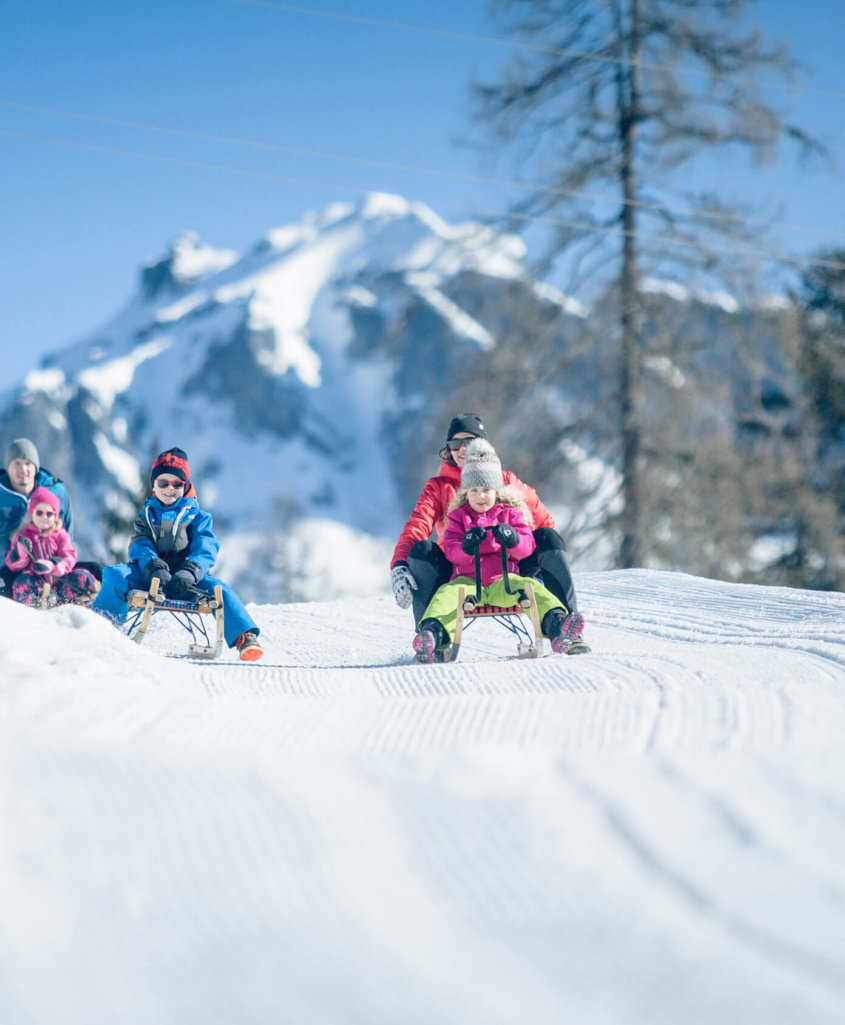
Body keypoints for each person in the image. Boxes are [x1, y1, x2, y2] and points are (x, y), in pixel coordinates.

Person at [390, 412, 583, 634]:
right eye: (455, 443)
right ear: (448, 449)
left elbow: (543, 521)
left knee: (549, 537)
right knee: (422, 550)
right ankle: (430, 637)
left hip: (509, 566)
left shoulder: (506, 481)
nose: (462, 449)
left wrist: (518, 545)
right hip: (460, 568)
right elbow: (417, 526)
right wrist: (399, 564)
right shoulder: (439, 487)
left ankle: (565, 627)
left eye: (469, 441)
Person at [412, 439, 585, 663]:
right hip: (466, 584)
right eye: (474, 490)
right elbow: (451, 551)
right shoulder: (458, 517)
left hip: (505, 582)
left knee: (533, 588)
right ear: (466, 493)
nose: (480, 496)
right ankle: (432, 635)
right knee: (444, 596)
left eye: (486, 490)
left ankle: (557, 626)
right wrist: (466, 546)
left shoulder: (510, 515)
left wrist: (512, 539)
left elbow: (527, 547)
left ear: (496, 491)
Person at [92, 447, 264, 661]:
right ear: (154, 485)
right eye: (163, 483)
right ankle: (101, 627)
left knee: (220, 590)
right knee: (115, 575)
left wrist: (191, 571)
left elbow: (206, 546)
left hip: (187, 581)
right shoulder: (146, 515)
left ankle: (244, 636)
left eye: (177, 484)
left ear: (186, 485)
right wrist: (153, 566)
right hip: (151, 577)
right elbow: (140, 544)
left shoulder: (198, 517)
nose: (170, 489)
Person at [0, 438, 73, 595]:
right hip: (6, 570)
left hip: (50, 568)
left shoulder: (56, 492)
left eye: (28, 463)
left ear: (36, 467)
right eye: (16, 463)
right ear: (8, 467)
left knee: (92, 573)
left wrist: (58, 563)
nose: (23, 469)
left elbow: (67, 530)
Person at [4, 486, 98, 607]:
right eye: (39, 513)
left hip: (61, 583)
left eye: (49, 514)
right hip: (38, 585)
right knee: (22, 581)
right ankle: (31, 610)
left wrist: (53, 565)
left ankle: (85, 603)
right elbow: (13, 566)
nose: (44, 517)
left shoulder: (61, 535)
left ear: (55, 516)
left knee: (82, 575)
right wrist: (21, 554)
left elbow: (69, 557)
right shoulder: (23, 536)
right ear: (32, 514)